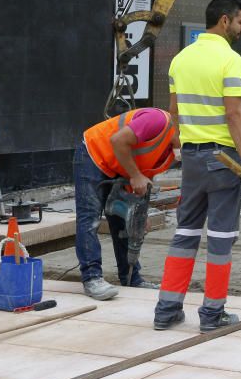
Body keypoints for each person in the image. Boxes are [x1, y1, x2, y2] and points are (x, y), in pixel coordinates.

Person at [154, 0, 241, 332]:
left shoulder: (181, 59)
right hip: (224, 160)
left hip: (192, 159)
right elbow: (234, 114)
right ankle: (212, 315)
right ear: (224, 21)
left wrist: (181, 148)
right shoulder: (230, 60)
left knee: (185, 232)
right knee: (220, 238)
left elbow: (174, 113)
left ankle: (166, 309)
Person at [75, 107, 179, 300]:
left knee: (124, 223)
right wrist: (135, 175)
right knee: (89, 219)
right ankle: (92, 278)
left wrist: (140, 214)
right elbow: (118, 140)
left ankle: (132, 278)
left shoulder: (170, 153)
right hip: (94, 154)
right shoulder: (157, 120)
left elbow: (142, 180)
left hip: (118, 166)